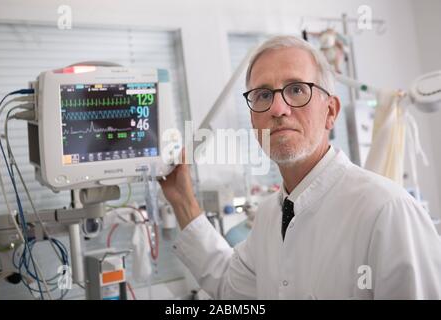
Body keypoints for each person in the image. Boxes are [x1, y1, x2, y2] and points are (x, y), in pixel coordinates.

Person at [159, 36, 441, 299]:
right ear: (253, 120)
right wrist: (183, 200)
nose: (278, 108)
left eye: (296, 90)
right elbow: (231, 286)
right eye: (263, 95)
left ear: (330, 112)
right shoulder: (271, 215)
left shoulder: (387, 210)